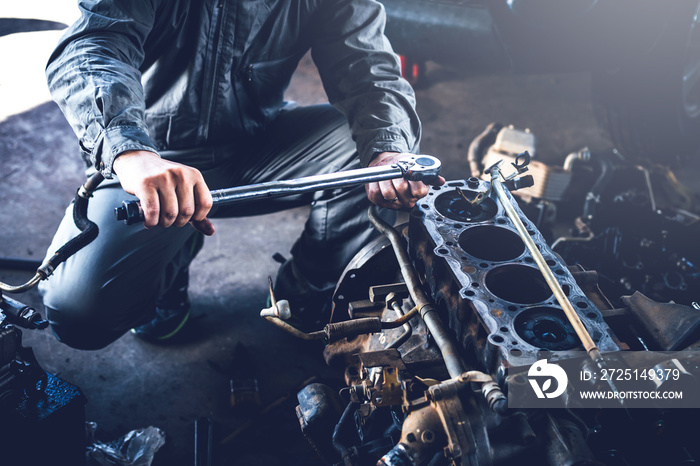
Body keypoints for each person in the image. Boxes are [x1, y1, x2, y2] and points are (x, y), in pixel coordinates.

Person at [40, 0, 441, 349]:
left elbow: (367, 67)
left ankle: (304, 294)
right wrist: (130, 152)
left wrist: (389, 150)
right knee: (78, 314)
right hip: (157, 161)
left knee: (376, 150)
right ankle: (168, 266)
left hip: (260, 142)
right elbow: (91, 46)